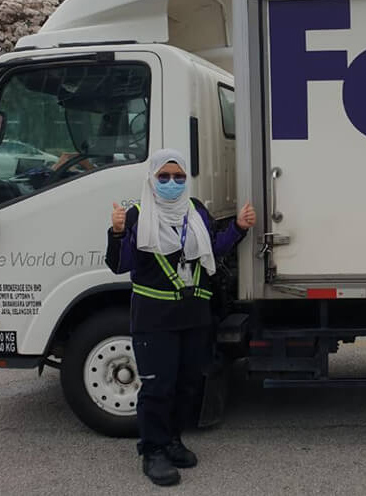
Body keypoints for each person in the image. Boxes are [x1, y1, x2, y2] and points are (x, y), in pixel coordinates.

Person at [106, 149, 255, 487]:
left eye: (178, 177)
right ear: (151, 180)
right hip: (154, 319)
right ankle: (153, 451)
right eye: (164, 177)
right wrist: (116, 234)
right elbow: (120, 264)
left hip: (193, 316)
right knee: (158, 387)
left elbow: (213, 248)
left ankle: (173, 440)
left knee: (188, 384)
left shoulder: (196, 211)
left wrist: (239, 228)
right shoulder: (136, 217)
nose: (171, 183)